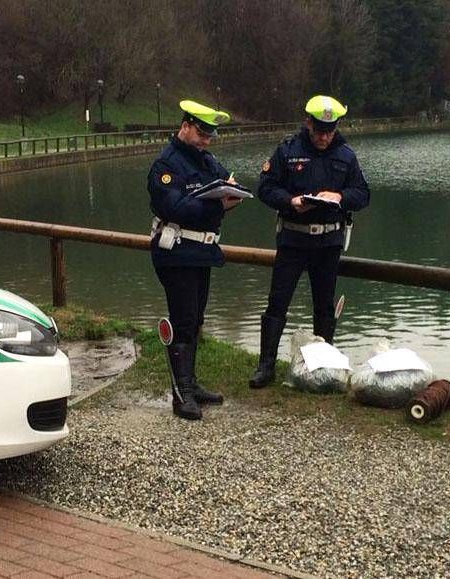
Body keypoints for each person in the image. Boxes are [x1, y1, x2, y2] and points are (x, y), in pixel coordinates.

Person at [249, 95, 370, 389]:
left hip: (328, 243)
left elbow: (363, 194)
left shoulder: (346, 155)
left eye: (330, 131)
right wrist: (290, 201)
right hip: (293, 239)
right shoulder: (287, 151)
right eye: (319, 131)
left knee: (324, 306)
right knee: (277, 303)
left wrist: (340, 196)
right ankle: (266, 366)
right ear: (308, 123)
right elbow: (265, 187)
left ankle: (324, 368)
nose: (324, 137)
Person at [148, 100, 243, 420]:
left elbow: (226, 184)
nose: (206, 141)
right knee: (184, 321)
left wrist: (233, 193)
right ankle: (181, 394)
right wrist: (219, 205)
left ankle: (191, 383)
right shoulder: (166, 165)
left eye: (209, 136)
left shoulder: (206, 161)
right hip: (176, 252)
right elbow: (175, 208)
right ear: (185, 126)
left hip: (201, 252)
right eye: (201, 134)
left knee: (196, 318)